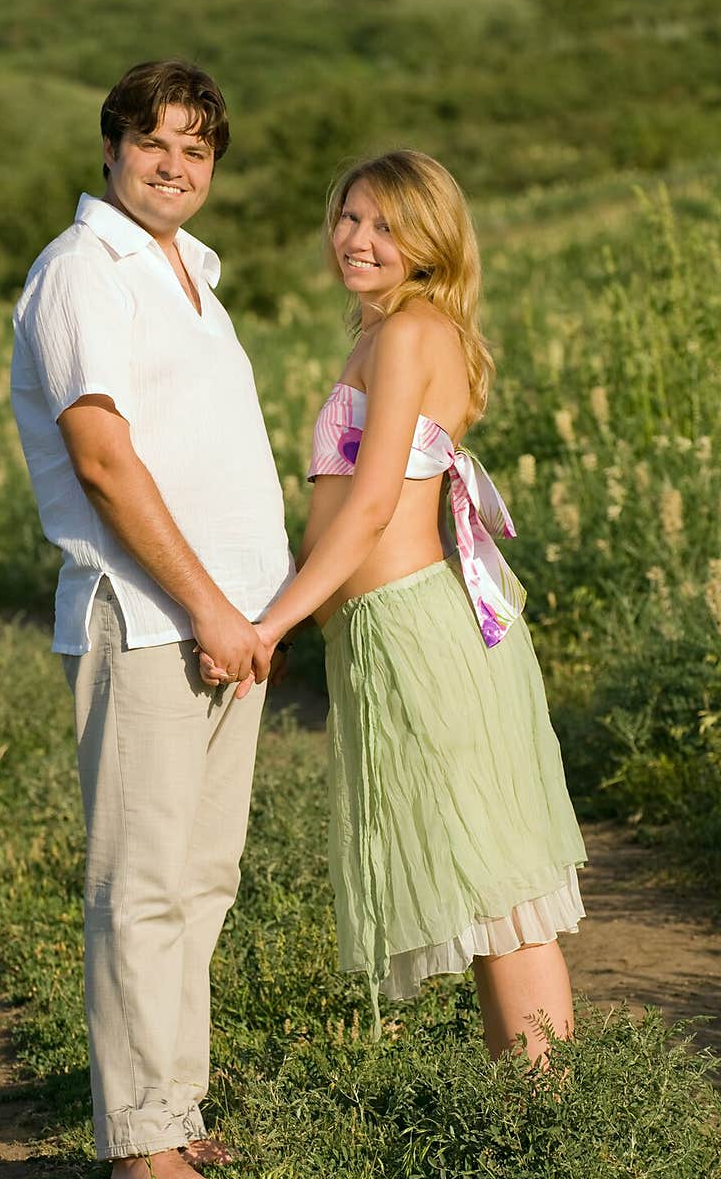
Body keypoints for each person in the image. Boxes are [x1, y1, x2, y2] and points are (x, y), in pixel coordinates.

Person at [201, 149, 587, 1065]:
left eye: (385, 224)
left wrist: (271, 625)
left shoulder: (412, 332)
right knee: (485, 881)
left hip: (418, 629)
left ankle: (554, 1129)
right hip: (381, 635)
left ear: (429, 240)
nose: (358, 239)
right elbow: (338, 517)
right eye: (348, 217)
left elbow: (372, 508)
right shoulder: (381, 334)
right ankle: (529, 1122)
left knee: (501, 884)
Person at [9, 59, 294, 1179]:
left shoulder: (187, 270)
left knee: (200, 879)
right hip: (148, 624)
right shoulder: (85, 271)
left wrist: (246, 613)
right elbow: (103, 458)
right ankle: (137, 1146)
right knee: (141, 883)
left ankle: (173, 1114)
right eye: (153, 143)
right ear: (112, 146)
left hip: (222, 627)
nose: (174, 166)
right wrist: (211, 609)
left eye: (196, 149)